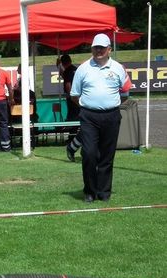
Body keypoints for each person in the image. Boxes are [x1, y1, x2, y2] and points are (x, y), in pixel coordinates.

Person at [70, 33, 131, 203]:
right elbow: (75, 94)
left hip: (111, 115)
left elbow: (125, 93)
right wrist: (87, 105)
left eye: (102, 48)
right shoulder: (83, 68)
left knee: (107, 155)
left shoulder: (118, 68)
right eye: (96, 47)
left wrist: (110, 104)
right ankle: (89, 191)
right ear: (91, 48)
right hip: (89, 116)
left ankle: (104, 192)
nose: (99, 51)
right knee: (89, 154)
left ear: (109, 49)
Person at [57, 54, 81, 162]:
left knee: (72, 117)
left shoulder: (68, 71)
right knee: (76, 116)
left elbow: (67, 83)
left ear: (63, 63)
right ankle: (74, 136)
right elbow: (65, 75)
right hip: (79, 96)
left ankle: (72, 137)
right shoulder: (76, 70)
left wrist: (70, 95)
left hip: (72, 97)